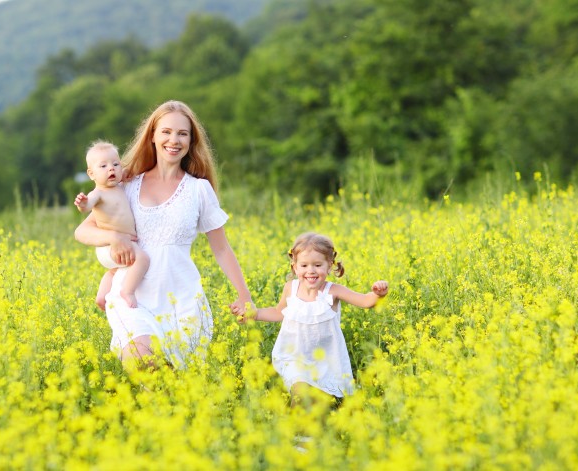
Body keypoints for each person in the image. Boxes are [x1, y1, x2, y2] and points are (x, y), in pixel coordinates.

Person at [74, 100, 251, 368]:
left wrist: (245, 296)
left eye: (183, 133)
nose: (174, 140)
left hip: (181, 298)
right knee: (142, 361)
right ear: (153, 136)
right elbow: (84, 230)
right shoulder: (128, 185)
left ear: (191, 141)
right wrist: (114, 238)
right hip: (133, 298)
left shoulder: (199, 190)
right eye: (166, 132)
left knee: (171, 390)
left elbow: (222, 248)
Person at [235, 232, 388, 406]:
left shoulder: (333, 291)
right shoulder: (291, 289)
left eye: (317, 265)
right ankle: (300, 432)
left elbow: (365, 301)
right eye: (304, 265)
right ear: (295, 267)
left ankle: (316, 426)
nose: (311, 271)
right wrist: (254, 314)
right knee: (300, 391)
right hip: (295, 357)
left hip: (326, 360)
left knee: (318, 402)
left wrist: (378, 293)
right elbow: (278, 312)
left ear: (329, 265)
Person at [74, 140, 149, 309]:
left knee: (113, 271)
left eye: (115, 164)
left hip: (111, 250)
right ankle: (127, 291)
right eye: (103, 166)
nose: (111, 168)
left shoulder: (120, 187)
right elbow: (87, 206)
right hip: (113, 244)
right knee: (142, 259)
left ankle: (102, 297)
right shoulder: (98, 193)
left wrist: (127, 172)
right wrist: (83, 203)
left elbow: (131, 172)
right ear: (91, 174)